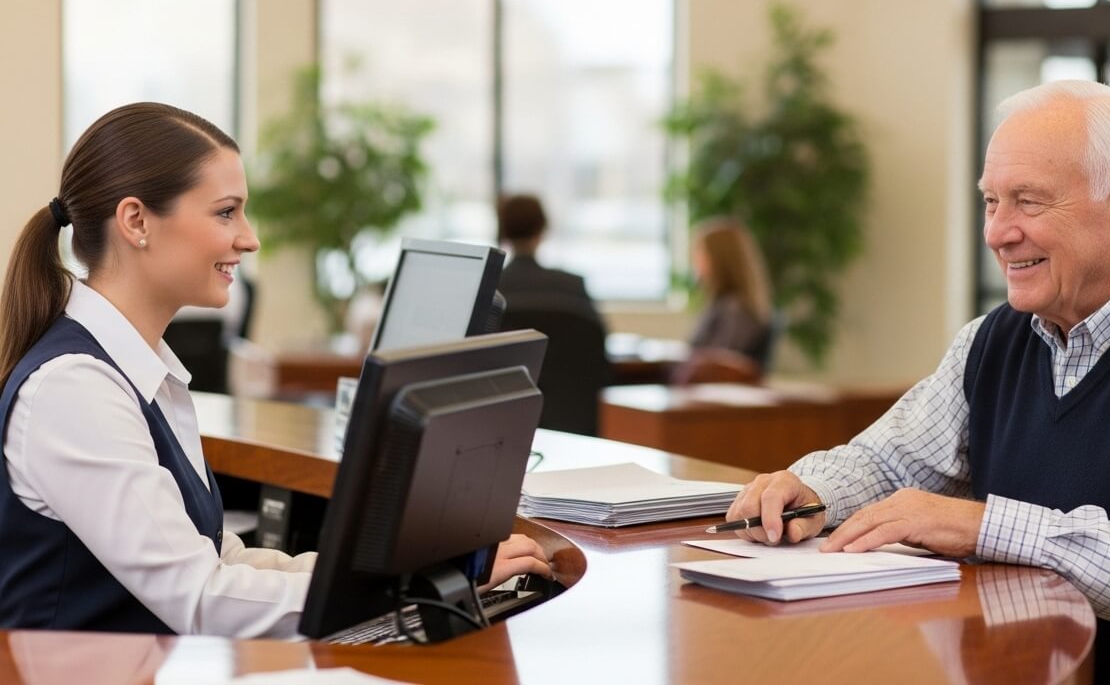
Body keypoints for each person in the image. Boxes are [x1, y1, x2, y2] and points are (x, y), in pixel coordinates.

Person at [724, 81, 1110, 683]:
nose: (996, 233)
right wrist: (812, 491)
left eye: (1028, 202)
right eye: (991, 202)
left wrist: (982, 526)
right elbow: (891, 464)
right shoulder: (993, 340)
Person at [0, 103, 551, 638]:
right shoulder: (75, 388)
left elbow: (215, 558)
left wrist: (409, 578)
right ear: (136, 221)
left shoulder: (141, 371)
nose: (250, 237)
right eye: (226, 212)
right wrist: (403, 590)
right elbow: (200, 596)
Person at [677, 217, 775, 383]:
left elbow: (718, 363)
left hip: (713, 392)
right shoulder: (720, 304)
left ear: (718, 259)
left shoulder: (735, 309)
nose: (696, 262)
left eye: (701, 254)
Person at [495, 193, 602, 325]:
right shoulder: (573, 285)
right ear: (542, 229)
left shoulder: (490, 289)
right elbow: (596, 335)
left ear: (503, 232)